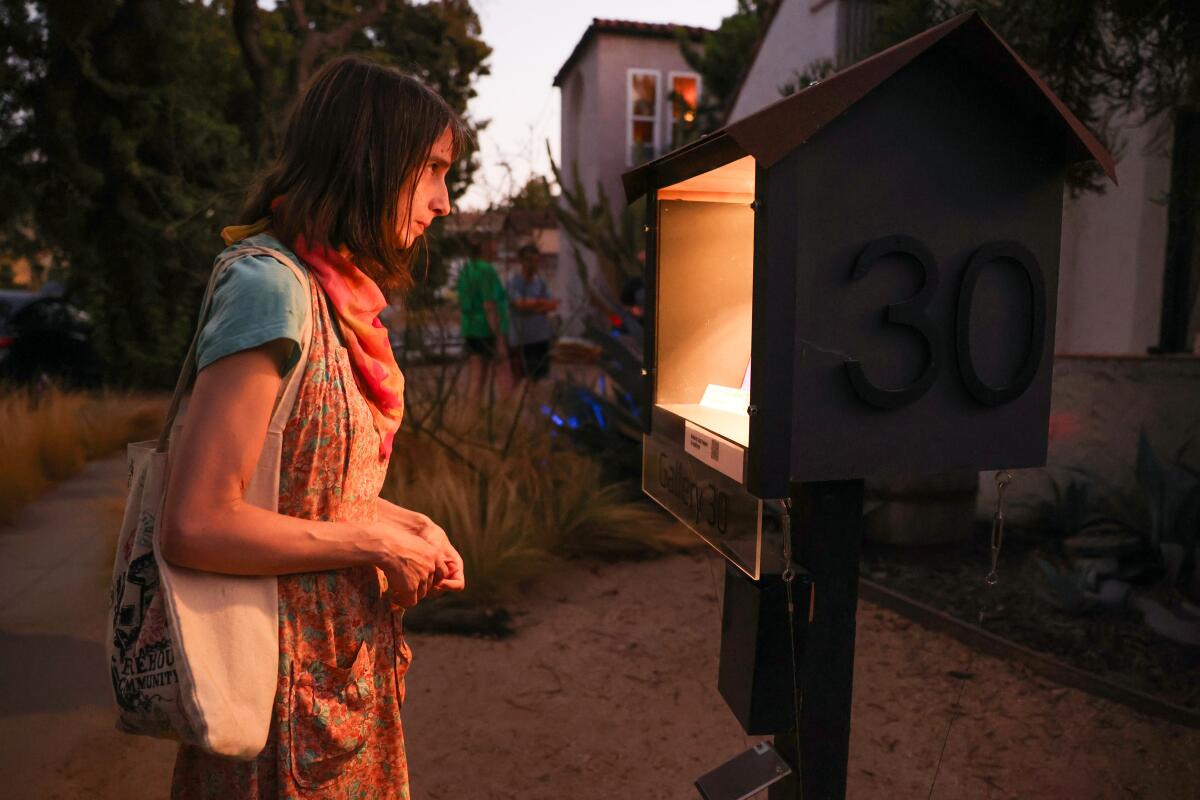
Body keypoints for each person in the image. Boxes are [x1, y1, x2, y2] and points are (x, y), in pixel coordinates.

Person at [158, 55, 467, 799]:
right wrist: (370, 540)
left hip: (334, 691)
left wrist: (405, 525)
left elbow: (298, 488)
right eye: (430, 168)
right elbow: (197, 522)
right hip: (273, 697)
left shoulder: (337, 297)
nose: (444, 202)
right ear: (368, 159)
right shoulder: (271, 288)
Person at [455, 236, 510, 401]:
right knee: (504, 374)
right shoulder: (486, 270)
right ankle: (509, 418)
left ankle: (472, 420)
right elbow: (489, 305)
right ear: (484, 248)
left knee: (477, 380)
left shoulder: (466, 269)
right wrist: (499, 338)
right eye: (493, 244)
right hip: (486, 329)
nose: (496, 248)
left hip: (470, 329)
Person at [506, 243, 557, 382]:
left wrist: (534, 305)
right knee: (523, 378)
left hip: (541, 336)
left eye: (536, 261)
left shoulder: (540, 282)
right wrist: (539, 303)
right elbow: (519, 303)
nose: (533, 265)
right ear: (522, 261)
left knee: (540, 377)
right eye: (530, 260)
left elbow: (552, 304)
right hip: (523, 339)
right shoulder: (514, 282)